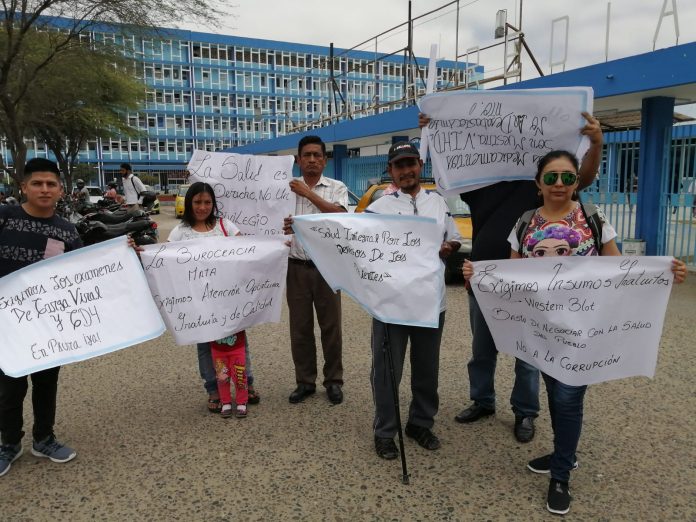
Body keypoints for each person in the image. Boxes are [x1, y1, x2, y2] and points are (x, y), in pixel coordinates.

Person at [463, 150, 687, 515]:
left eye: (567, 177)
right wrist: (480, 276)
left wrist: (664, 273)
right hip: (542, 331)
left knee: (568, 397)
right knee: (555, 392)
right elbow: (512, 277)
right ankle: (563, 452)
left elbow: (621, 270)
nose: (559, 184)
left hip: (583, 331)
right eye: (551, 177)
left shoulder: (593, 219)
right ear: (538, 183)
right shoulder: (524, 223)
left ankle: (561, 475)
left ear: (576, 182)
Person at [419, 111, 604, 443]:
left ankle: (525, 411)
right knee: (482, 350)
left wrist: (597, 143)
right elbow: (448, 170)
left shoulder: (538, 184)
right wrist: (434, 131)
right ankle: (482, 401)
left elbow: (583, 179)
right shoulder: (478, 183)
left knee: (528, 355)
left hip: (529, 287)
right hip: (484, 281)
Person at [366, 142, 462, 459]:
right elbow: (357, 245)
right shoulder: (378, 208)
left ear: (420, 165)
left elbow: (454, 238)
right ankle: (385, 431)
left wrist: (448, 248)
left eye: (411, 163)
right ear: (390, 170)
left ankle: (420, 423)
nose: (406, 170)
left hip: (431, 303)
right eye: (399, 165)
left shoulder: (438, 202)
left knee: (427, 369)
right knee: (387, 371)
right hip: (391, 305)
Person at [0, 158, 83, 477]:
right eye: (37, 183)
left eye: (51, 184)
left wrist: (123, 251)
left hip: (48, 325)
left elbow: (81, 272)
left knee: (46, 384)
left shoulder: (67, 231)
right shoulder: (5, 218)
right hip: (7, 325)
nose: (44, 189)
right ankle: (9, 443)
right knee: (9, 387)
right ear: (24, 187)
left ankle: (44, 438)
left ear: (60, 190)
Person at [168, 182, 260, 414]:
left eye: (207, 202)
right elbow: (162, 258)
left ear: (213, 203)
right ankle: (213, 390)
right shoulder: (180, 232)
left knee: (239, 344)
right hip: (199, 304)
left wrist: (277, 246)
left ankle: (246, 384)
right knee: (205, 347)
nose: (202, 207)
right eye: (197, 202)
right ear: (189, 203)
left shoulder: (225, 225)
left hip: (229, 301)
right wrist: (139, 251)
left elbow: (247, 249)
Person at [282, 135, 349, 405]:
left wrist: (308, 194)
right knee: (300, 328)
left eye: (316, 155)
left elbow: (340, 217)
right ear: (298, 160)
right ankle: (305, 381)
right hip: (296, 267)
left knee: (331, 327)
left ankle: (333, 381)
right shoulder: (283, 189)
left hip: (327, 268)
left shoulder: (336, 187)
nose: (311, 160)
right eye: (306, 155)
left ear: (324, 160)